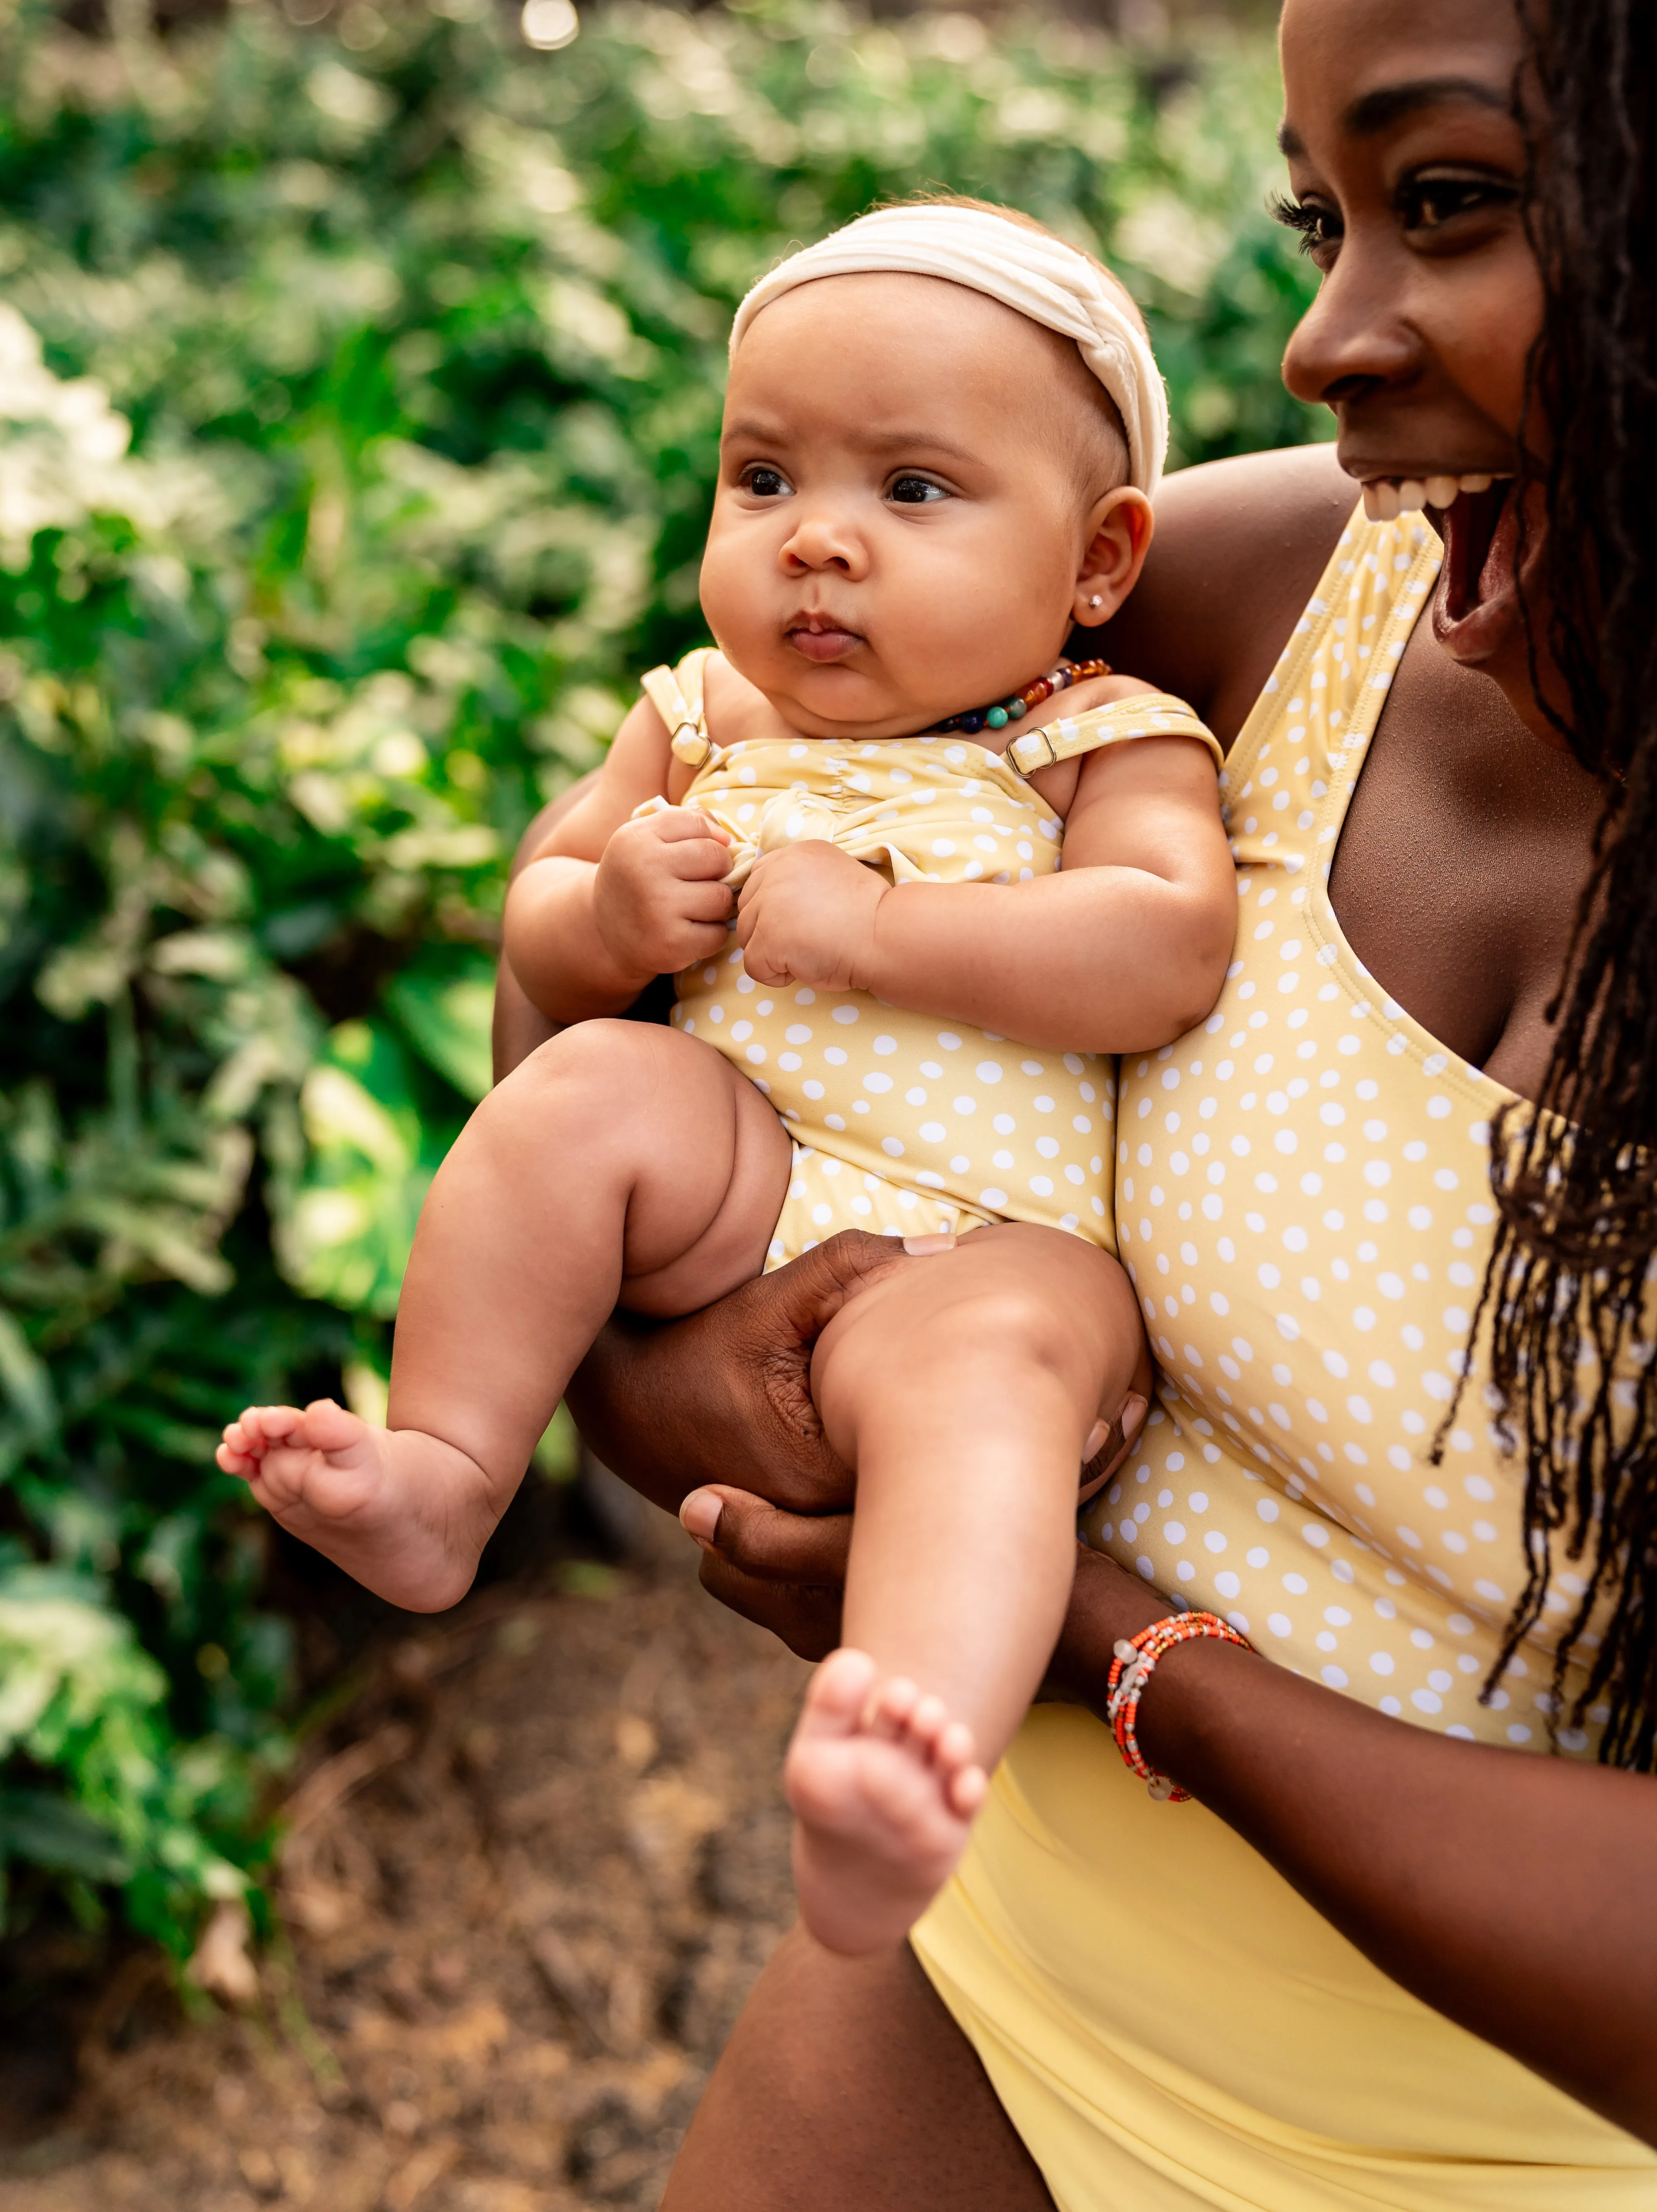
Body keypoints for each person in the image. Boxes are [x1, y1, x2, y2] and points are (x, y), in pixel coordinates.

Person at [498, 0, 1657, 2203]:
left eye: (1447, 201)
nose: (1327, 342)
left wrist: (1115, 1647)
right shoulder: (1278, 596)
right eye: (1318, 220)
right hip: (965, 2010)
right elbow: (607, 1029)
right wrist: (716, 1365)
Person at [217, 203, 1237, 1955]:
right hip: (743, 1172)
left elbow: (1165, 946)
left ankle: (905, 1747)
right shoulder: (698, 719)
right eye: (763, 479)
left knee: (994, 1369)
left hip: (980, 1248)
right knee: (588, 1090)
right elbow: (538, 933)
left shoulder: (1096, 741)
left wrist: (881, 936)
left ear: (1095, 560)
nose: (816, 546)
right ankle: (448, 1472)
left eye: (911, 492)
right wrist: (606, 915)